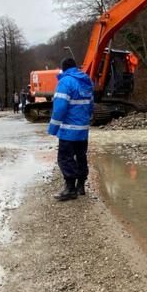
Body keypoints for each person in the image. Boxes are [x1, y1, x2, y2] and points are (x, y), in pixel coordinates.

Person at [47, 57, 94, 201]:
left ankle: (70, 189)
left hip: (68, 130)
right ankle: (81, 186)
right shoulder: (86, 81)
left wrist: (52, 128)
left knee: (65, 158)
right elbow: (91, 105)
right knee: (81, 156)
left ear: (64, 69)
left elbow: (60, 108)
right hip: (83, 129)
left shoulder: (65, 82)